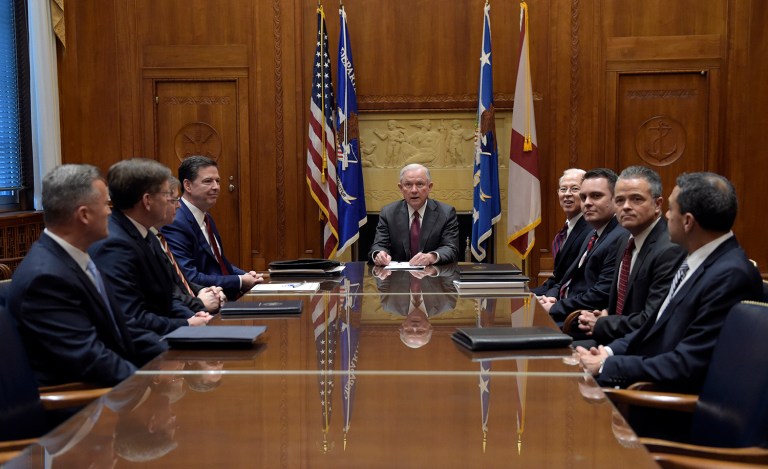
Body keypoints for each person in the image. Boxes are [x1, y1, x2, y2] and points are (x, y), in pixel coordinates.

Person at [577, 172, 762, 393]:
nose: (666, 215)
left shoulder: (729, 276)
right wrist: (609, 352)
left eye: (671, 209)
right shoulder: (698, 261)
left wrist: (607, 365)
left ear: (687, 222)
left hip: (663, 396)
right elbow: (655, 326)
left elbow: (687, 364)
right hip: (645, 372)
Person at [7, 164, 164, 387]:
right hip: (83, 401)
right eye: (106, 204)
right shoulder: (46, 279)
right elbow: (90, 359)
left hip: (116, 386)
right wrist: (145, 382)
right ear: (84, 215)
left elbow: (122, 329)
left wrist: (171, 353)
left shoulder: (77, 258)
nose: (110, 212)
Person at [90, 158, 212, 337]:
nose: (176, 203)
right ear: (147, 201)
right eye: (167, 195)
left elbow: (167, 297)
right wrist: (186, 324)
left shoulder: (146, 234)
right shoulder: (114, 245)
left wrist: (194, 317)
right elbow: (130, 318)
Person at [574, 166, 686, 344]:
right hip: (615, 339)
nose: (626, 207)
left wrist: (603, 323)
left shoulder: (669, 249)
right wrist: (604, 314)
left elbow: (652, 319)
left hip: (642, 346)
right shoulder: (625, 238)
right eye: (619, 200)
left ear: (657, 204)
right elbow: (622, 303)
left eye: (636, 199)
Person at [161, 156, 262, 300]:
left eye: (218, 181)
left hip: (225, 297)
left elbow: (219, 263)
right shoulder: (175, 221)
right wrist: (239, 281)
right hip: (204, 302)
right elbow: (189, 277)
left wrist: (244, 275)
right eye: (208, 181)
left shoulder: (206, 217)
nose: (216, 187)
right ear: (188, 186)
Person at [540, 168, 628, 323]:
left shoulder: (620, 237)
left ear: (616, 199)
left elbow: (600, 295)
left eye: (596, 196)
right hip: (565, 309)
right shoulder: (593, 233)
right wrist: (552, 297)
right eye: (583, 197)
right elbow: (567, 278)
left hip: (579, 319)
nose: (587, 203)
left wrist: (555, 307)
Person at [151, 176, 225, 315]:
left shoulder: (154, 236)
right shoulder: (140, 241)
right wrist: (198, 305)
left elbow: (178, 281)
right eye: (174, 200)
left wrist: (203, 291)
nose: (179, 205)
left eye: (218, 181)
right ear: (148, 202)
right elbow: (157, 299)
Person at [368, 163, 459, 266]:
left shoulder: (446, 213)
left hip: (433, 274)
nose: (414, 190)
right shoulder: (388, 213)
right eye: (408, 184)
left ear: (429, 187)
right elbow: (379, 245)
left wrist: (431, 257)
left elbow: (451, 248)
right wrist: (379, 254)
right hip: (397, 275)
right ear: (401, 188)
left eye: (420, 184)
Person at [532, 168, 590, 295]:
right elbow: (558, 276)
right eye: (563, 189)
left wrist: (548, 297)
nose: (567, 194)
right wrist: (527, 294)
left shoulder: (590, 230)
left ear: (586, 194)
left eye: (574, 189)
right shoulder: (568, 227)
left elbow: (574, 281)